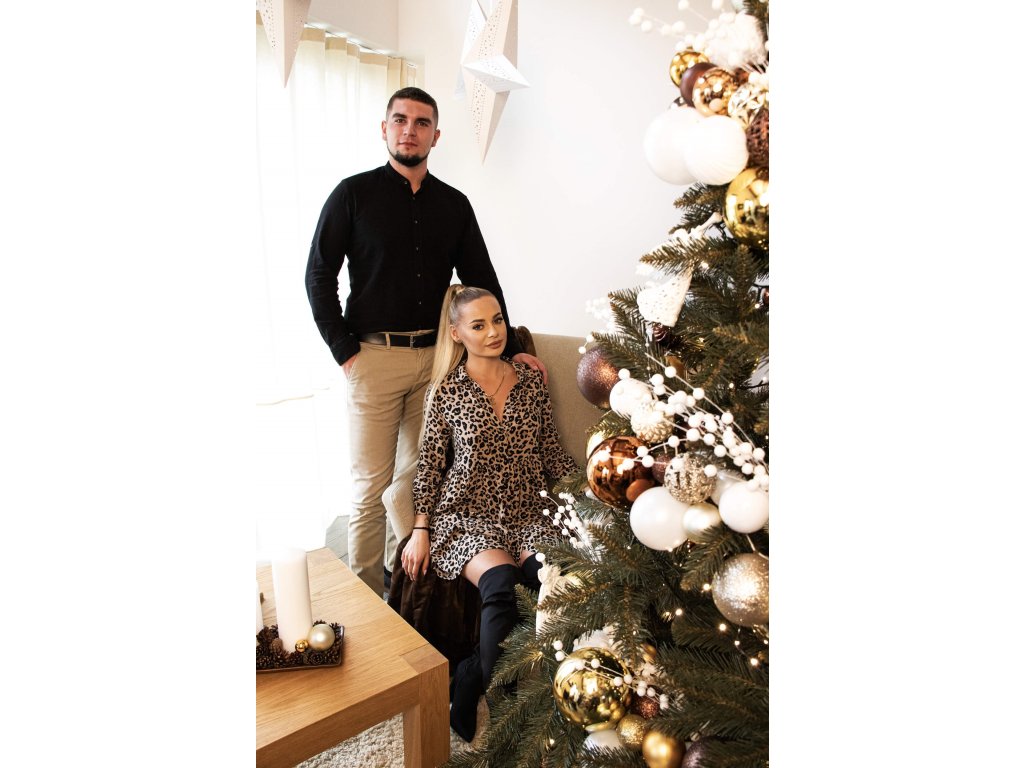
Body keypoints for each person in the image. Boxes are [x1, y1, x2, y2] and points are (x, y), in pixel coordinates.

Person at [305, 87, 546, 599]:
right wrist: (344, 350)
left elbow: (482, 279)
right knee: (370, 489)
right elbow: (318, 275)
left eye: (421, 123)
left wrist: (508, 346)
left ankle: (404, 598)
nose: (409, 131)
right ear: (385, 129)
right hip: (372, 358)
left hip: (437, 363)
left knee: (417, 485)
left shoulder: (453, 205)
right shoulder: (352, 195)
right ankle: (365, 604)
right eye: (400, 120)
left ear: (436, 135)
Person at [401, 284, 578, 742]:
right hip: (467, 515)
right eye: (478, 325)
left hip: (531, 510)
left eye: (497, 320)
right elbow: (430, 466)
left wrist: (586, 497)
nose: (493, 332)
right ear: (456, 333)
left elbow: (551, 451)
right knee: (502, 585)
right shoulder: (445, 391)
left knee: (553, 579)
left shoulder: (531, 382)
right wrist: (421, 528)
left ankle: (471, 675)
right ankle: (504, 710)